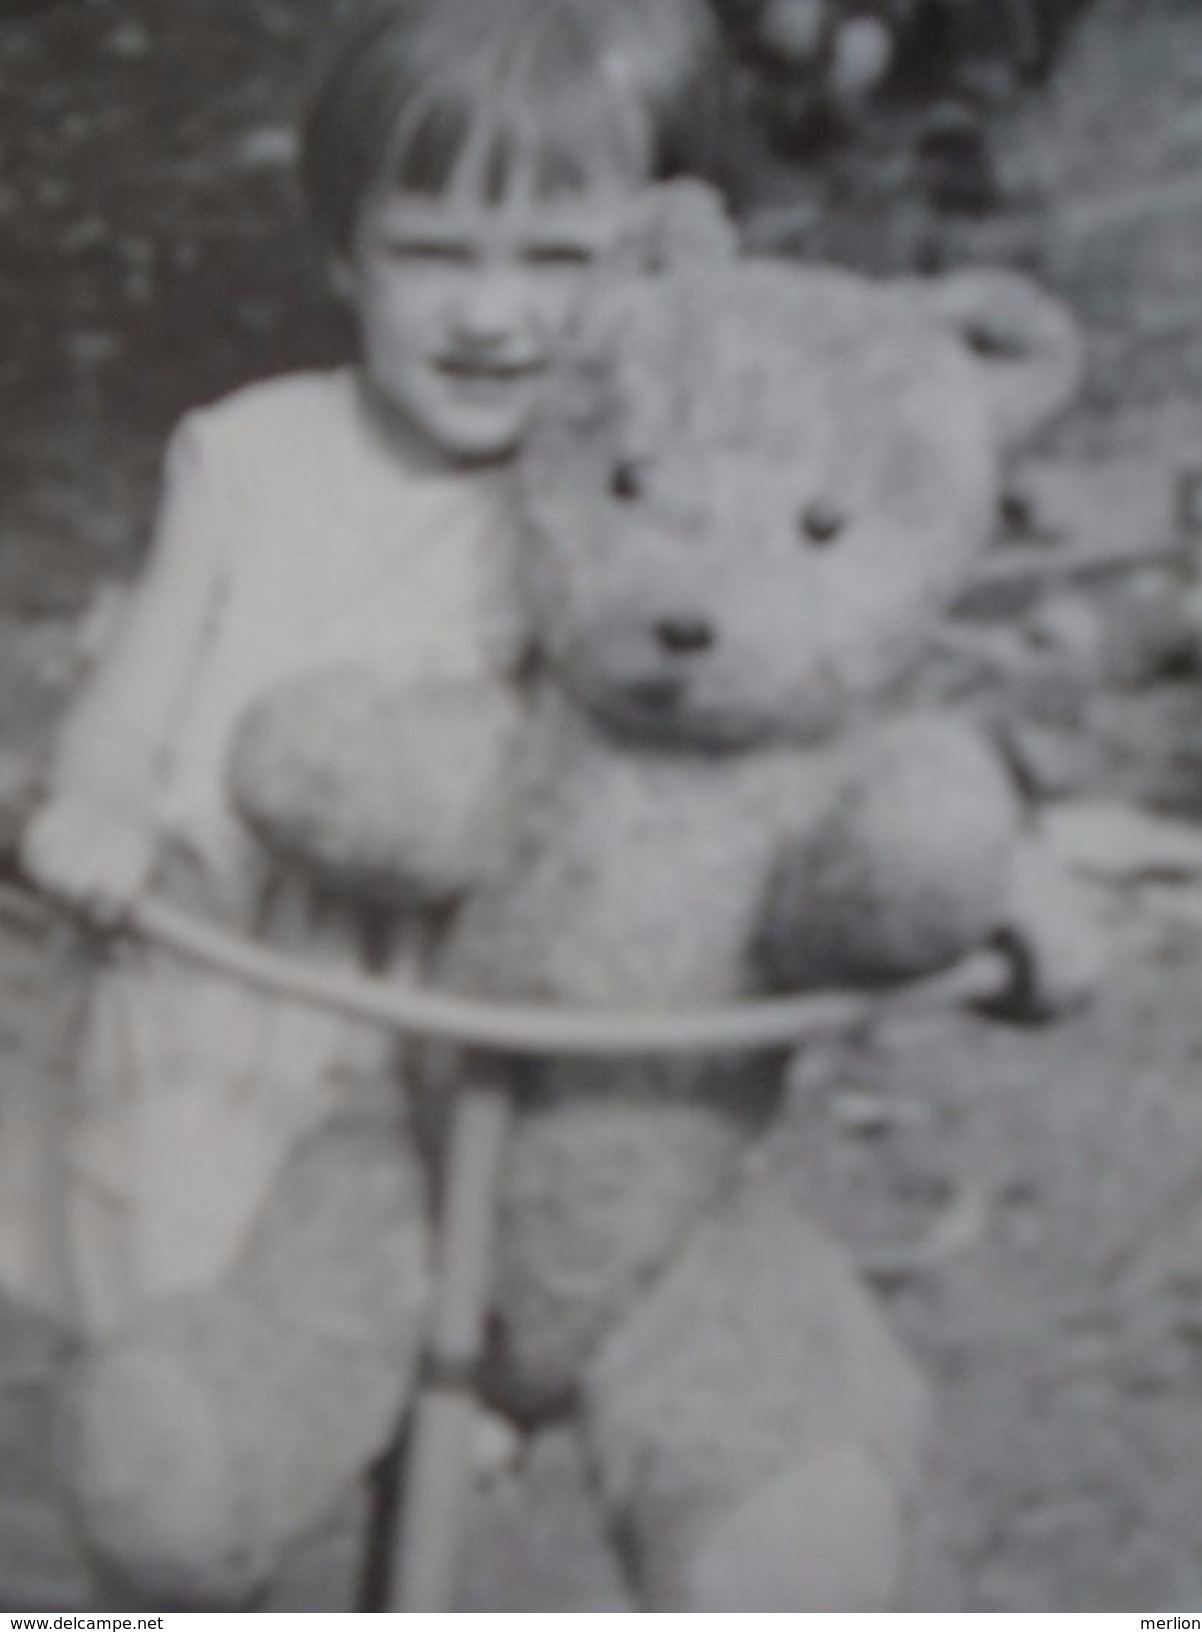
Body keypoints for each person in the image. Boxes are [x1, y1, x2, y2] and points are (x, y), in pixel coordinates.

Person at [15, 0, 726, 1378]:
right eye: (433, 252)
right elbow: (135, 698)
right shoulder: (253, 459)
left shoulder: (631, 508)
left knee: (431, 1395)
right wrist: (96, 802)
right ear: (347, 255)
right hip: (217, 1018)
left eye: (558, 258)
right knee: (184, 1397)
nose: (490, 312)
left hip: (458, 1034)